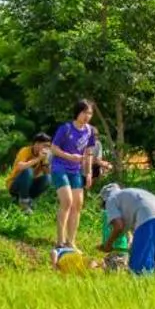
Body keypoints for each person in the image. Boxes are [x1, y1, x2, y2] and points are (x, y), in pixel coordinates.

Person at [49, 99, 98, 252]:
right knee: (67, 201)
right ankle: (60, 241)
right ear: (77, 112)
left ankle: (71, 242)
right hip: (59, 167)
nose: (87, 116)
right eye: (84, 112)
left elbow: (89, 153)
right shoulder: (66, 128)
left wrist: (89, 172)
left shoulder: (90, 131)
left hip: (76, 170)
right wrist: (70, 156)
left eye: (89, 113)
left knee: (78, 204)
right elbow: (53, 148)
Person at [98, 184, 155, 275]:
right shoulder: (127, 196)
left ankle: (143, 286)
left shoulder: (111, 199)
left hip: (149, 220)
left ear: (104, 200)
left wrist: (108, 244)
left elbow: (118, 226)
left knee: (140, 267)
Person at [6, 134, 52, 210]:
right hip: (14, 185)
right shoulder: (25, 151)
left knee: (48, 178)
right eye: (45, 146)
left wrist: (45, 162)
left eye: (48, 146)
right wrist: (38, 159)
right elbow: (20, 166)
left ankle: (26, 199)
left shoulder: (44, 156)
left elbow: (47, 173)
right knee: (28, 170)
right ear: (36, 144)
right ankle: (24, 202)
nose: (47, 148)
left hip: (30, 185)